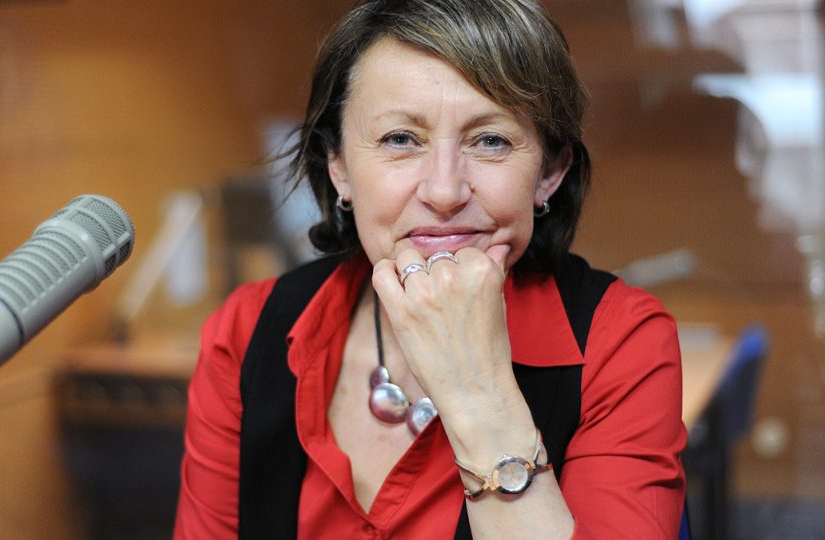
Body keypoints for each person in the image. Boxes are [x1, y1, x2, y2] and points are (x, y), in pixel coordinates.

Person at [173, 0, 686, 538]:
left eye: (490, 141)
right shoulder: (247, 332)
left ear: (549, 173)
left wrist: (477, 395)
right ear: (339, 167)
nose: (444, 192)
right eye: (400, 139)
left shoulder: (623, 342)